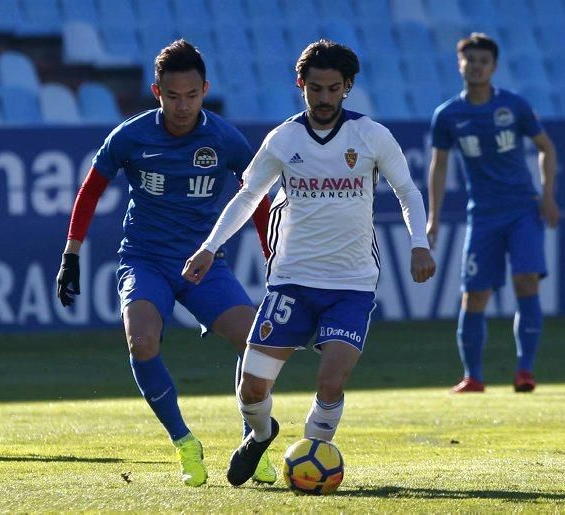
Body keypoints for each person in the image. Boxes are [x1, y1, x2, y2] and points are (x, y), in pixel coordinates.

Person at [182, 39, 437, 487]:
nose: (323, 99)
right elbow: (248, 196)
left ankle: (312, 460)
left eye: (333, 89)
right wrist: (210, 245)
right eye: (314, 88)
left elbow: (408, 192)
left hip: (352, 283)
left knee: (330, 382)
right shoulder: (284, 139)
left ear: (348, 88)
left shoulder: (372, 136)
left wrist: (420, 243)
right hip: (292, 282)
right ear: (301, 85)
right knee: (253, 389)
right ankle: (261, 435)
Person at [55, 39, 277, 487]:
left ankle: (251, 441)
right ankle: (184, 442)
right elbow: (90, 190)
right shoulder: (131, 136)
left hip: (203, 263)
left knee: (255, 347)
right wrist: (71, 253)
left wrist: (271, 253)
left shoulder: (224, 139)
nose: (183, 106)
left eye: (192, 96)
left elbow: (255, 196)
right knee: (142, 343)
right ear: (157, 92)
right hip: (145, 259)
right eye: (173, 96)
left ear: (205, 90)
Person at [426, 33, 559, 394]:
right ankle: (473, 376)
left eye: (484, 61)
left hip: (521, 210)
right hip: (482, 215)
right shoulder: (448, 115)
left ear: (494, 66)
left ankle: (525, 371)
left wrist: (548, 196)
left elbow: (546, 148)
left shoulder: (514, 106)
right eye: (471, 60)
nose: (477, 66)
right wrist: (433, 216)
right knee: (475, 294)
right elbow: (438, 167)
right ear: (460, 64)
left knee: (526, 282)